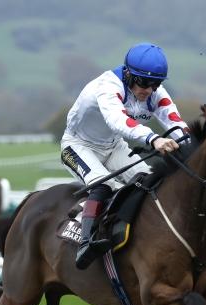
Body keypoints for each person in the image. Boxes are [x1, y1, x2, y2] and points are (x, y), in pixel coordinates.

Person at [60, 42, 189, 269]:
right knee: (104, 185)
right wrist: (153, 139)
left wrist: (193, 145)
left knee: (150, 182)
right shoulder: (108, 86)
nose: (148, 89)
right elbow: (118, 121)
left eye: (155, 84)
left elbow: (174, 121)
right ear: (128, 74)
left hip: (114, 146)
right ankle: (85, 243)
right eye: (143, 82)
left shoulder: (154, 92)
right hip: (78, 146)